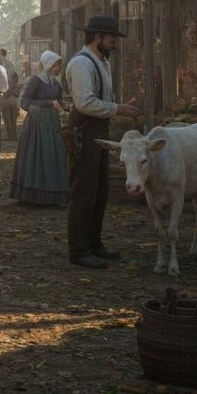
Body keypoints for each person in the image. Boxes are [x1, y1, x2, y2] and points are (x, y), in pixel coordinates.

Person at [65, 15, 140, 269]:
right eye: (111, 39)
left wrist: (116, 108)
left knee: (99, 191)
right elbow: (84, 102)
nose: (114, 43)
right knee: (83, 192)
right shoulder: (81, 63)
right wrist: (116, 108)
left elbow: (102, 98)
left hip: (99, 129)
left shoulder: (102, 62)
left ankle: (94, 244)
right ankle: (79, 249)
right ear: (97, 37)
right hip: (84, 130)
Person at [10, 50, 68, 207]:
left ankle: (53, 194)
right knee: (35, 156)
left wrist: (60, 105)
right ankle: (32, 194)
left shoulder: (56, 83)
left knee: (52, 156)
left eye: (60, 65)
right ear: (49, 65)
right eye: (57, 65)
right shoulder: (36, 80)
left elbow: (60, 101)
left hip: (52, 124)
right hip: (36, 124)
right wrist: (48, 104)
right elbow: (24, 102)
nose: (59, 68)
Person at [0, 48, 20, 140]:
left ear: (1, 54)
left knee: (7, 117)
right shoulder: (11, 64)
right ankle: (14, 135)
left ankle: (10, 135)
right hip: (13, 94)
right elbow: (16, 78)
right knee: (13, 118)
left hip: (5, 94)